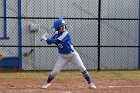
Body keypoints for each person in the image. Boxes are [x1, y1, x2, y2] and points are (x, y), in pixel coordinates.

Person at [41, 19, 96, 89]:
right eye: (61, 26)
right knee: (55, 72)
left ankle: (90, 83)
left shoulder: (66, 33)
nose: (63, 27)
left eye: (64, 25)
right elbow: (49, 43)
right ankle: (48, 83)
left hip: (73, 55)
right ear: (57, 27)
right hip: (63, 56)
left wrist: (46, 39)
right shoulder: (56, 34)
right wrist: (46, 38)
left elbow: (57, 41)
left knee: (81, 67)